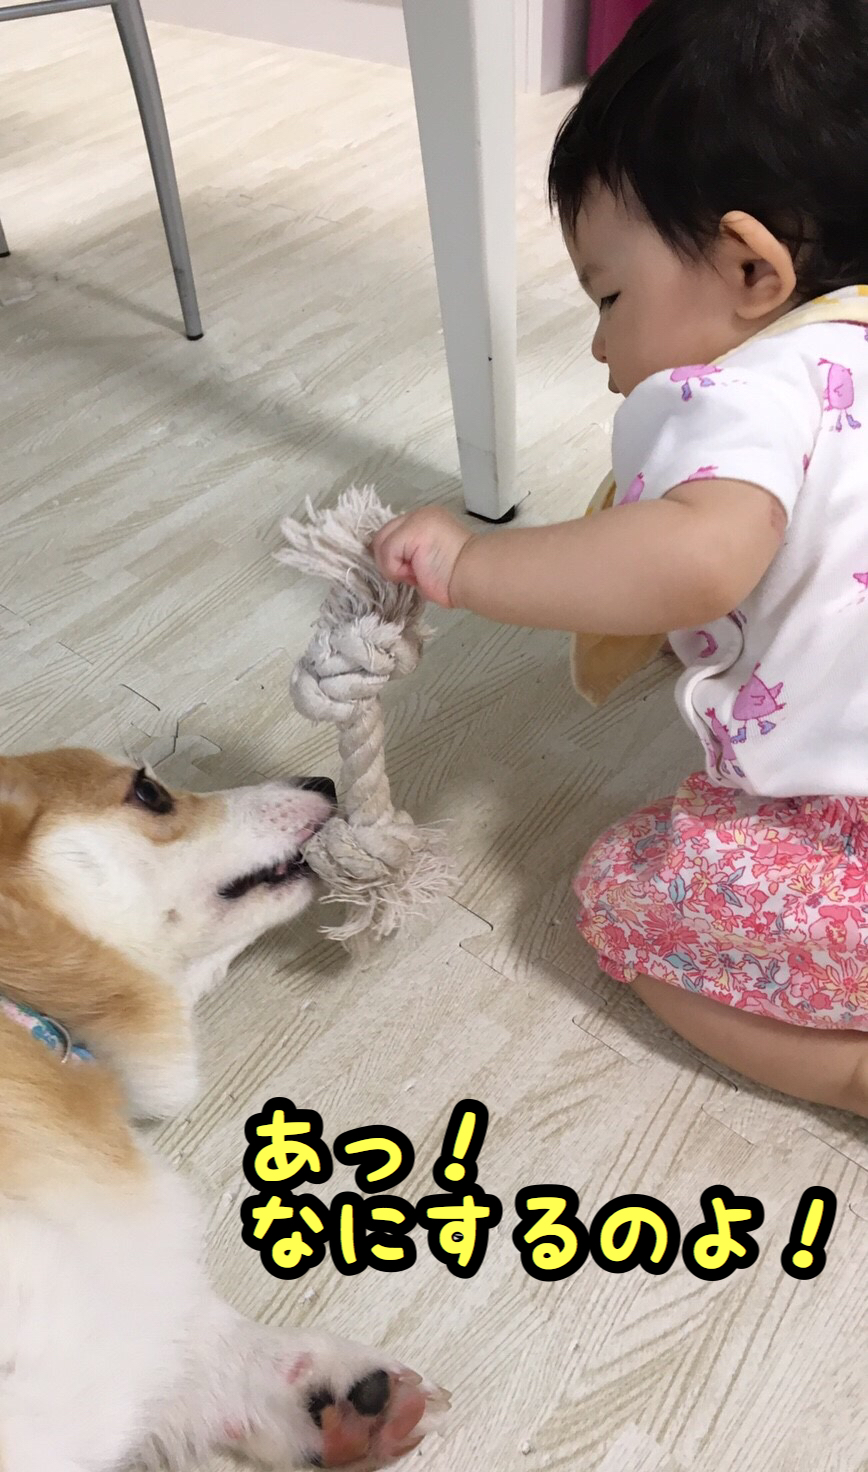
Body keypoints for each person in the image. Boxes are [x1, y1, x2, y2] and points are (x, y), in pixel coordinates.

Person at [371, 0, 868, 1116]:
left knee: (622, 893)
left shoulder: (753, 387)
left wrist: (471, 562)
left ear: (751, 270)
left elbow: (696, 558)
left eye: (609, 296)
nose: (601, 345)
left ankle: (849, 1067)